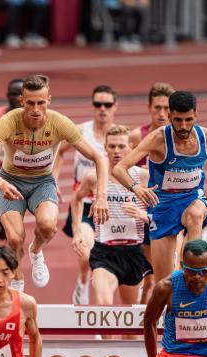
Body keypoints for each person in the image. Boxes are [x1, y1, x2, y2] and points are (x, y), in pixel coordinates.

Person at [111, 90, 207, 283]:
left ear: (196, 116)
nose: (183, 126)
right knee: (163, 283)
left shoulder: (206, 136)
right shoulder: (158, 138)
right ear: (169, 117)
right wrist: (136, 188)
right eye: (177, 120)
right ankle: (175, 278)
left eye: (188, 119)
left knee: (196, 215)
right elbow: (119, 169)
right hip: (163, 205)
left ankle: (191, 270)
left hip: (192, 197)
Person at [0, 74, 109, 291]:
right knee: (14, 238)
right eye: (30, 103)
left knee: (48, 226)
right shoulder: (8, 121)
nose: (36, 109)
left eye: (41, 103)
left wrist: (101, 196)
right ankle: (18, 278)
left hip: (42, 182)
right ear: (22, 101)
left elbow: (99, 158)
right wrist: (1, 184)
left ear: (49, 99)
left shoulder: (60, 123)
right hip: (12, 182)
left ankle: (36, 251)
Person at [71, 125, 151, 313]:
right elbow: (76, 199)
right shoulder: (94, 177)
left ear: (131, 147)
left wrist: (144, 215)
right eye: (112, 146)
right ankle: (103, 338)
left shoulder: (143, 178)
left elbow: (164, 213)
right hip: (104, 253)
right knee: (104, 310)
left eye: (121, 146)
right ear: (104, 148)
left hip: (133, 252)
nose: (116, 151)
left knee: (129, 324)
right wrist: (77, 231)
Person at [53, 85, 118, 305]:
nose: (102, 109)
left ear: (114, 107)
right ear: (92, 106)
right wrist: (53, 179)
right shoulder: (80, 132)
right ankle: (82, 282)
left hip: (110, 204)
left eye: (107, 104)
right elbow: (59, 151)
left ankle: (102, 289)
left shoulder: (120, 137)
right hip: (82, 203)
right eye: (98, 104)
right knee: (86, 253)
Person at [128, 82, 174, 303]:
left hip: (170, 207)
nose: (162, 113)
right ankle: (144, 312)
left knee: (163, 269)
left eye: (167, 108)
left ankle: (161, 312)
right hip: (144, 207)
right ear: (149, 107)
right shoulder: (138, 136)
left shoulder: (180, 136)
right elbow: (127, 170)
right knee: (147, 272)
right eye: (157, 107)